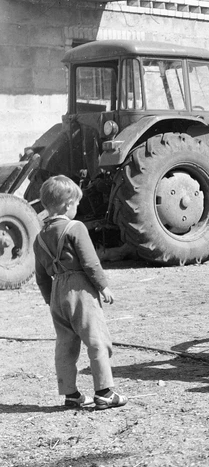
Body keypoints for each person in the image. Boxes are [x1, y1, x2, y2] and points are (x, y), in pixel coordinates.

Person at [33, 175, 127, 410]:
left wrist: (50, 299)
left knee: (65, 344)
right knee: (97, 340)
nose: (77, 208)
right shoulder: (76, 228)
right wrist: (102, 285)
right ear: (67, 204)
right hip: (79, 288)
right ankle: (105, 391)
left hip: (57, 292)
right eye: (76, 204)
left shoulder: (40, 237)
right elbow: (90, 262)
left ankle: (70, 393)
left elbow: (41, 276)